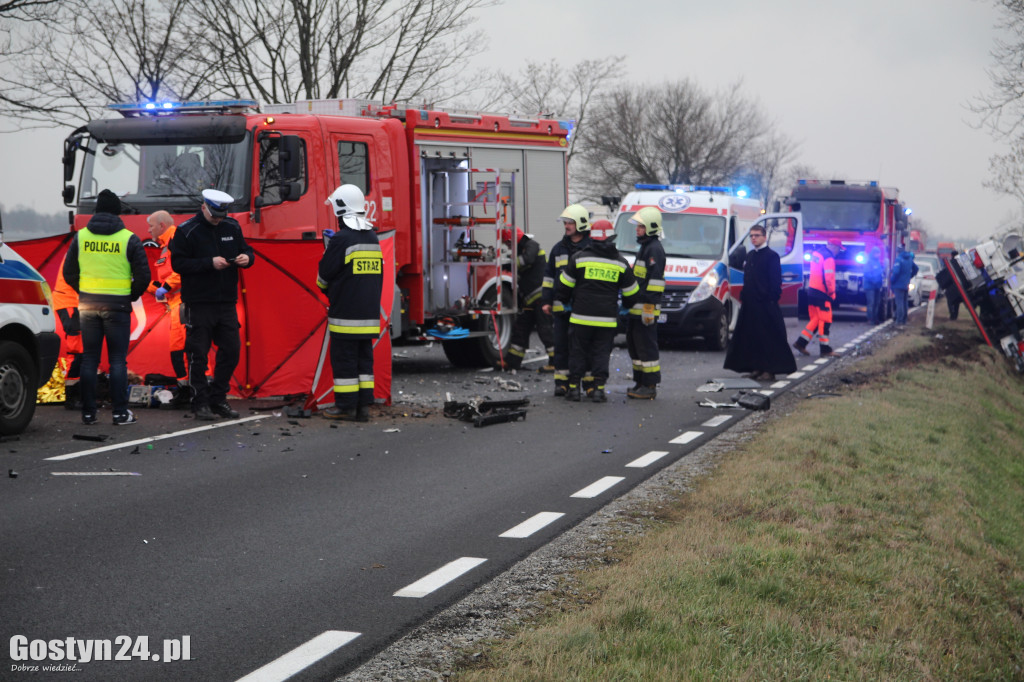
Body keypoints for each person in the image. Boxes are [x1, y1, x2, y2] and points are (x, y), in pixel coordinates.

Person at [62, 189, 150, 425]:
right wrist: (131, 295)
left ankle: (88, 413)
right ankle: (120, 413)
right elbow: (144, 276)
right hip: (118, 307)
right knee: (118, 361)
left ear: (97, 210)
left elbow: (68, 272)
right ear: (117, 212)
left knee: (89, 359)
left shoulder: (80, 237)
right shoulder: (128, 238)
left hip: (88, 306)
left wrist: (84, 291)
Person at [169, 188, 254, 421]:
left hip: (226, 301)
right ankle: (200, 403)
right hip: (198, 302)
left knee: (232, 351)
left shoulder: (232, 226)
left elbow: (246, 250)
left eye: (221, 215)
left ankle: (218, 398)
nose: (218, 220)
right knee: (198, 354)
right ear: (203, 207)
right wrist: (209, 263)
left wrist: (247, 258)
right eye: (214, 215)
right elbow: (178, 264)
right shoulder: (186, 231)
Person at [316, 184, 384, 421]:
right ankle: (363, 407)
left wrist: (329, 251)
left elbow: (323, 276)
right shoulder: (373, 237)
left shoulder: (341, 239)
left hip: (345, 315)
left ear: (340, 208)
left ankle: (345, 406)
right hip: (369, 316)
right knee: (364, 362)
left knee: (344, 362)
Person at [554, 219, 639, 402]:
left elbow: (562, 287)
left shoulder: (579, 258)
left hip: (580, 317)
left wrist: (566, 303)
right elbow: (632, 294)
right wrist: (624, 308)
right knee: (601, 353)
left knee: (578, 352)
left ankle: (574, 389)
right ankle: (598, 390)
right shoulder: (621, 263)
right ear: (610, 238)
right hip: (607, 320)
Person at [723, 224, 797, 382]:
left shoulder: (771, 256)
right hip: (750, 304)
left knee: (769, 338)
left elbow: (775, 281)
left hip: (765, 304)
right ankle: (755, 367)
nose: (754, 238)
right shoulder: (750, 255)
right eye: (751, 236)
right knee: (752, 337)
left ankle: (769, 370)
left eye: (757, 235)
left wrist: (771, 298)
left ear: (764, 237)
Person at [541, 204, 592, 396]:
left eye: (570, 222)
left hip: (584, 307)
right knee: (561, 345)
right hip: (561, 307)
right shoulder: (558, 249)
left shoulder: (591, 248)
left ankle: (588, 383)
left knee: (584, 346)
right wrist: (546, 301)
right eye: (565, 222)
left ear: (580, 224)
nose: (566, 226)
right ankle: (562, 382)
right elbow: (548, 277)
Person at [145, 210, 191, 406]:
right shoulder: (166, 245)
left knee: (181, 349)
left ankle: (190, 391)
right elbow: (167, 280)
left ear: (161, 226)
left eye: (151, 226)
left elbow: (181, 271)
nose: (148, 229)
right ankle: (187, 389)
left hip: (183, 303)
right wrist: (144, 284)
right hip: (176, 303)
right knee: (179, 349)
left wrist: (163, 288)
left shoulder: (175, 239)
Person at [625, 207, 666, 399]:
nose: (637, 229)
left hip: (646, 309)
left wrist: (649, 308)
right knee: (635, 346)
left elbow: (655, 282)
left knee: (646, 346)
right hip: (637, 308)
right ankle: (640, 381)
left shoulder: (654, 249)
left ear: (650, 227)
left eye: (641, 226)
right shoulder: (645, 247)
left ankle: (650, 385)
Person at [502, 226, 554, 372]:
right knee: (520, 330)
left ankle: (557, 362)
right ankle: (512, 362)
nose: (507, 246)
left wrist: (508, 265)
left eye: (507, 243)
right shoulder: (521, 249)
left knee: (546, 330)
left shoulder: (532, 245)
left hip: (540, 297)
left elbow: (527, 260)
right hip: (529, 300)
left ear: (513, 240)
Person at [794, 237, 842, 357]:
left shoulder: (817, 253)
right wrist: (832, 293)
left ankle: (801, 343)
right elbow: (829, 278)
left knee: (816, 319)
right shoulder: (829, 258)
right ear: (834, 247)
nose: (838, 252)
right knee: (825, 321)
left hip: (812, 291)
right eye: (839, 249)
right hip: (822, 294)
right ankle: (825, 349)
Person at [52, 254, 83, 410]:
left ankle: (74, 395)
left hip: (71, 301)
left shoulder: (78, 249)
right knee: (75, 351)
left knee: (77, 350)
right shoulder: (80, 252)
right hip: (70, 301)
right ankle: (72, 397)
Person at [889, 246, 918, 326]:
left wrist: (892, 280)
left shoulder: (899, 259)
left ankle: (899, 320)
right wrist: (910, 276)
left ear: (898, 251)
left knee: (899, 303)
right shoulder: (909, 259)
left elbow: (896, 272)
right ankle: (904, 319)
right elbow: (916, 269)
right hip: (906, 284)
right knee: (905, 302)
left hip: (898, 284)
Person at [862, 246, 885, 325]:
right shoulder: (869, 262)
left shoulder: (877, 262)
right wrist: (874, 281)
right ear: (873, 253)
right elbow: (867, 274)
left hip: (877, 286)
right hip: (870, 286)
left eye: (879, 253)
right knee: (871, 303)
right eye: (877, 253)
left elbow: (879, 273)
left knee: (877, 303)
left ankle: (875, 318)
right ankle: (870, 319)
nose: (878, 255)